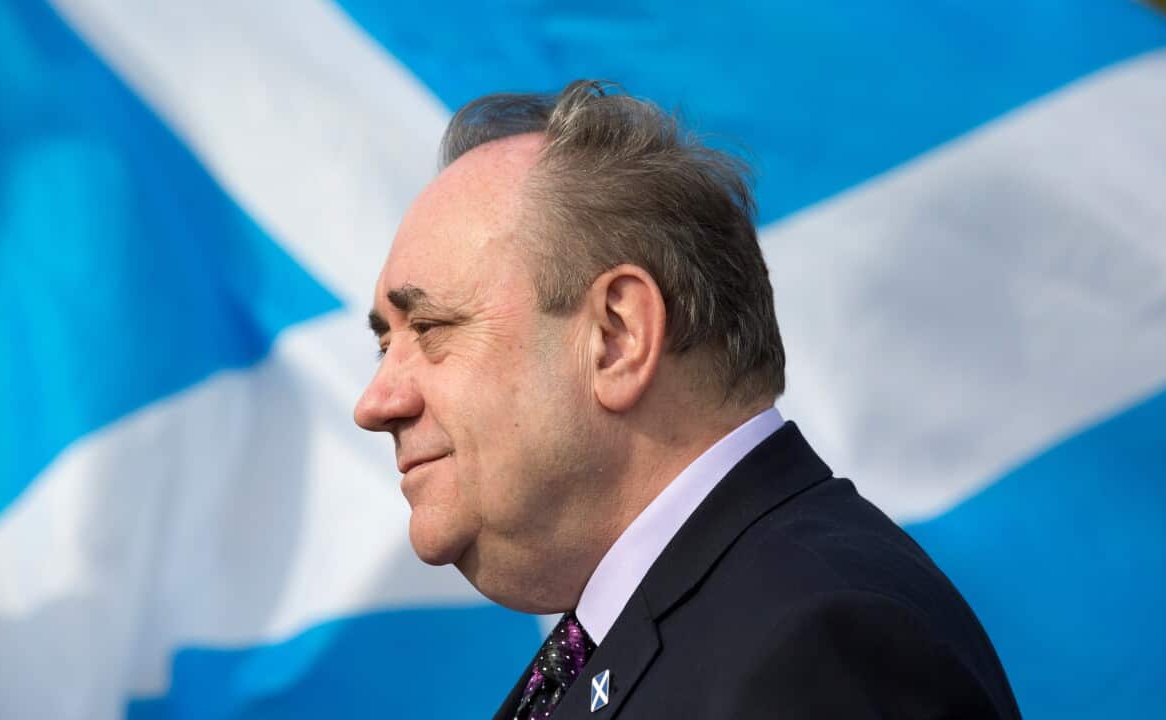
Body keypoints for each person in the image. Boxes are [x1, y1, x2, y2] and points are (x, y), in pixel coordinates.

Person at [355, 80, 1021, 719]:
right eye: (387, 345)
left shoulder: (814, 643)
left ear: (617, 337)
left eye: (431, 329)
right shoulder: (694, 625)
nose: (375, 403)